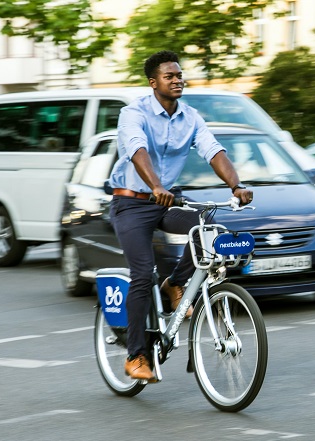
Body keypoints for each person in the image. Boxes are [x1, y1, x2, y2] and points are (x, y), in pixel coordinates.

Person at [110, 50, 254, 381]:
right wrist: (157, 184)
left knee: (209, 229)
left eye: (179, 75)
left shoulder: (190, 116)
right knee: (142, 275)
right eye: (169, 76)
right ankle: (136, 355)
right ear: (153, 82)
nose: (177, 80)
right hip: (130, 202)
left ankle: (176, 283)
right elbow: (136, 149)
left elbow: (213, 150)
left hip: (165, 200)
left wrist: (236, 185)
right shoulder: (134, 113)